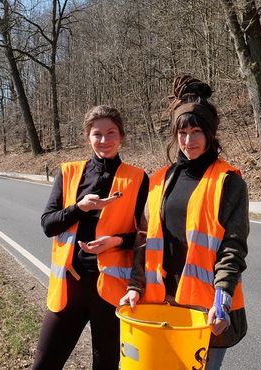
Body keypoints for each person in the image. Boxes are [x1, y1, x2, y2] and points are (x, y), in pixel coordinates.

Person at [120, 75, 249, 370]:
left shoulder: (228, 183)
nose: (189, 141)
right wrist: (134, 286)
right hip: (160, 304)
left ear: (210, 134)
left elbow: (233, 246)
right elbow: (145, 239)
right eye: (183, 133)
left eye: (196, 132)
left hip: (206, 311)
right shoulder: (159, 180)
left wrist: (223, 298)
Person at [33, 105, 149, 370]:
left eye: (111, 133)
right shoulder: (69, 172)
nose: (105, 140)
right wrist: (79, 208)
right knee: (43, 364)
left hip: (110, 291)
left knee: (105, 365)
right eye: (97, 134)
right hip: (69, 287)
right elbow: (48, 225)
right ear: (88, 137)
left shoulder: (138, 178)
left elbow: (146, 237)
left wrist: (117, 241)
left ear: (122, 136)